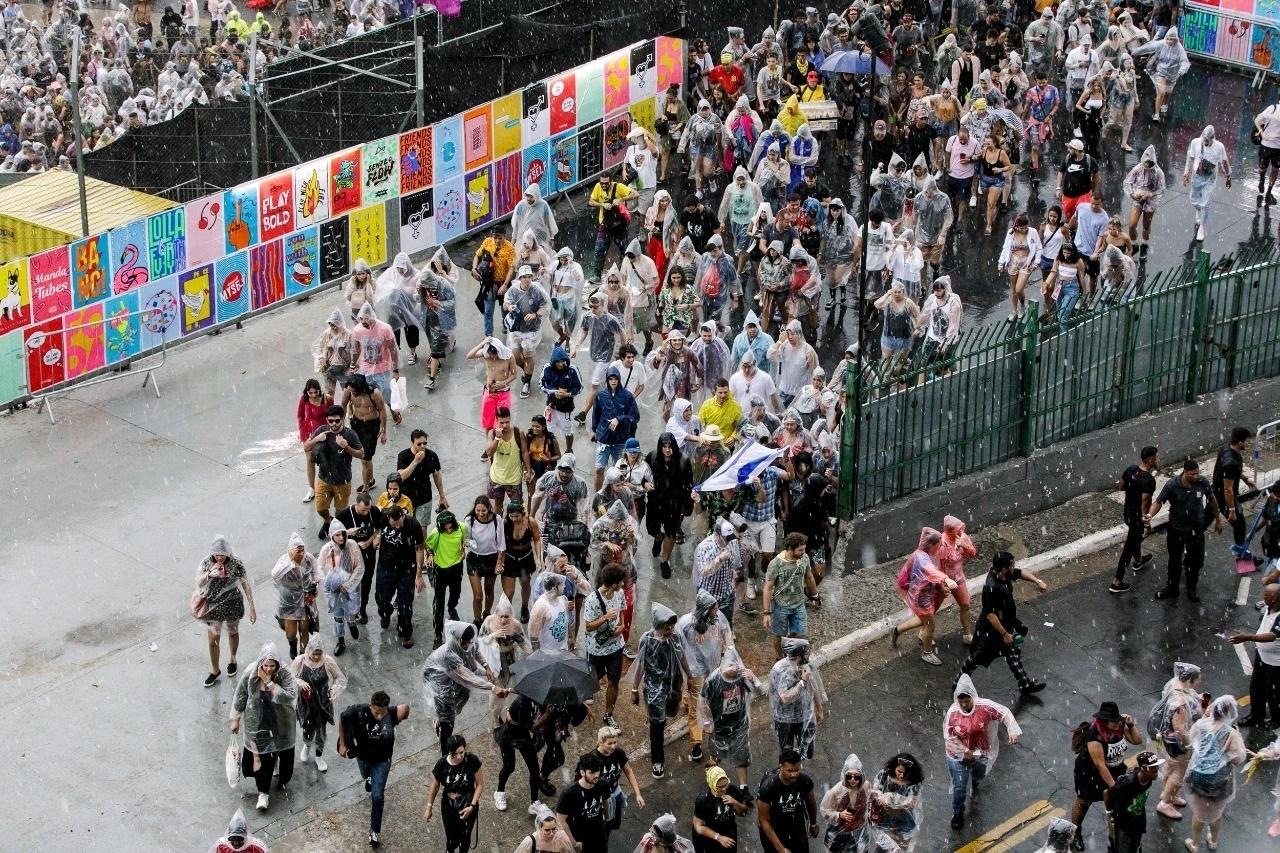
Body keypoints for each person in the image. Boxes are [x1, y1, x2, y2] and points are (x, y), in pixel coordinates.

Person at [961, 551, 1049, 696]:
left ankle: (1025, 684)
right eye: (1011, 565)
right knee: (977, 657)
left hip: (1005, 623)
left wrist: (1037, 581)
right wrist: (1004, 634)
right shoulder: (992, 586)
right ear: (1003, 568)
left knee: (1012, 652)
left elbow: (1021, 573)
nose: (1014, 567)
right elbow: (990, 614)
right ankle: (959, 682)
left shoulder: (1005, 575)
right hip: (992, 630)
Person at [944, 674, 1022, 830]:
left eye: (967, 701)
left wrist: (1012, 731)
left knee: (979, 774)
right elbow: (949, 736)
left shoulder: (985, 707)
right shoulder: (953, 713)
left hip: (980, 753)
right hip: (957, 756)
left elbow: (1004, 713)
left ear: (973, 696)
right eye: (961, 702)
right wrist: (964, 751)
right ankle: (958, 812)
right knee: (960, 786)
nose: (964, 705)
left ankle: (975, 780)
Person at [338, 691, 410, 848]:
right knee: (365, 774)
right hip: (362, 756)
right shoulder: (358, 711)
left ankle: (374, 832)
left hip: (382, 761)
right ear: (371, 706)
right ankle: (369, 778)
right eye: (376, 712)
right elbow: (342, 719)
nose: (379, 717)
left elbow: (405, 707)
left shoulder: (390, 714)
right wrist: (343, 743)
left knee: (377, 796)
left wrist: (402, 716)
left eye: (382, 713)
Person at [231, 643, 298, 812]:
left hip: (281, 720)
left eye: (272, 665)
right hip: (259, 720)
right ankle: (263, 793)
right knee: (261, 756)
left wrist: (269, 683)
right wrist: (236, 718)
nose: (268, 669)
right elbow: (241, 695)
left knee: (284, 754)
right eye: (266, 665)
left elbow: (289, 695)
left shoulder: (284, 672)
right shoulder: (250, 672)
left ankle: (281, 773)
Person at [1146, 458, 1222, 603]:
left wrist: (1218, 519)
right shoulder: (1172, 485)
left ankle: (1191, 588)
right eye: (1192, 474)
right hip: (1176, 529)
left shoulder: (1202, 482)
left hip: (1196, 529)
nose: (1196, 476)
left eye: (1197, 473)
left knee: (1195, 562)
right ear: (1185, 472)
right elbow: (1159, 502)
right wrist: (1150, 515)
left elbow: (1212, 499)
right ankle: (1172, 588)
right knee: (1174, 560)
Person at [629, 603, 691, 779]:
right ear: (658, 625)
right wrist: (634, 688)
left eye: (672, 626)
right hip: (654, 687)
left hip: (673, 685)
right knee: (657, 725)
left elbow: (683, 657)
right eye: (667, 626)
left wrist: (690, 677)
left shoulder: (676, 637)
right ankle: (657, 761)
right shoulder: (646, 640)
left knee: (671, 711)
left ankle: (657, 720)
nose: (670, 629)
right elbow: (640, 665)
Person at [1071, 701, 1144, 849]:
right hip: (1089, 772)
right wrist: (1115, 787)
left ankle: (1116, 835)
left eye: (1118, 720)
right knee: (1084, 802)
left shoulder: (1120, 726)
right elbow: (1100, 765)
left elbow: (1137, 740)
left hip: (1116, 768)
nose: (1117, 723)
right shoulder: (1094, 734)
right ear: (1104, 721)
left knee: (1117, 804)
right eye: (1113, 721)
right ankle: (1074, 833)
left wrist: (1130, 725)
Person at [1182, 696, 1247, 852]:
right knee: (1216, 813)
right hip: (1220, 779)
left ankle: (1195, 844)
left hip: (1197, 775)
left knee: (1199, 813)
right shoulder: (1231, 734)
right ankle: (1213, 840)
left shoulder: (1200, 725)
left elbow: (1192, 741)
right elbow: (1237, 758)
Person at [195, 535, 256, 687]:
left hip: (232, 603)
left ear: (228, 553)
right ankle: (215, 670)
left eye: (222, 555)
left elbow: (245, 584)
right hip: (214, 604)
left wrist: (252, 608)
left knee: (233, 632)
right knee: (213, 639)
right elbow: (198, 581)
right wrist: (209, 573)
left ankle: (233, 658)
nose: (220, 557)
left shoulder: (236, 563)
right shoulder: (207, 562)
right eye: (217, 554)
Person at [892, 527, 956, 665]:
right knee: (930, 624)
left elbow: (930, 576)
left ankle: (897, 630)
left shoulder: (924, 554)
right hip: (920, 597)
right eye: (938, 545)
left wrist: (940, 588)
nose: (940, 548)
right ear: (932, 544)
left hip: (923, 595)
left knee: (923, 620)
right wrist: (947, 580)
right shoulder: (922, 558)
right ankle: (927, 653)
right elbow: (930, 572)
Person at [303, 404, 365, 539]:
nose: (334, 424)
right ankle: (328, 522)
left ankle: (337, 531)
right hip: (323, 478)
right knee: (320, 508)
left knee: (341, 511)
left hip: (343, 480)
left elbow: (361, 454)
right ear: (327, 420)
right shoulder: (321, 431)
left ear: (342, 419)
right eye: (330, 420)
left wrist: (346, 446)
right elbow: (306, 447)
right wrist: (316, 439)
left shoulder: (350, 434)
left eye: (337, 420)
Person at [290, 634, 346, 774]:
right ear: (308, 651)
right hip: (306, 702)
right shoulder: (300, 661)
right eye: (314, 654)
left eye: (319, 654)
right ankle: (307, 746)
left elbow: (340, 678)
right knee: (308, 727)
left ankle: (319, 756)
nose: (316, 657)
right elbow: (289, 678)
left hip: (322, 702)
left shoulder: (327, 661)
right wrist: (299, 682)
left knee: (321, 731)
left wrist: (334, 690)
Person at [583, 563, 627, 726]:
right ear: (614, 584)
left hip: (616, 646)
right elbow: (588, 626)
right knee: (592, 678)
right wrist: (605, 618)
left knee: (614, 681)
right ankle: (587, 694)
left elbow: (622, 611)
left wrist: (621, 626)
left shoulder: (619, 593)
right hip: (596, 649)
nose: (623, 584)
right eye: (621, 582)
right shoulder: (592, 600)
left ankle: (609, 714)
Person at [424, 734, 484, 853]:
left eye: (461, 752)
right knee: (451, 838)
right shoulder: (442, 764)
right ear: (449, 752)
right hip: (449, 806)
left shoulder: (471, 760)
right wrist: (429, 807)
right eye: (454, 754)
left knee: (465, 839)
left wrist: (472, 806)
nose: (458, 757)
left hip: (468, 803)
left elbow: (480, 784)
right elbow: (435, 786)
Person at [761, 532, 817, 660]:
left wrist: (815, 596)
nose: (804, 552)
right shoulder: (776, 564)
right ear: (790, 549)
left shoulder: (804, 558)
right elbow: (768, 588)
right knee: (779, 635)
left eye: (804, 549)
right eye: (800, 550)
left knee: (798, 634)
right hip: (781, 607)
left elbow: (809, 577)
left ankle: (792, 656)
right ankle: (779, 658)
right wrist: (766, 613)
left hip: (798, 604)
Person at [376, 505, 425, 648]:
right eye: (394, 523)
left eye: (400, 522)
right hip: (386, 565)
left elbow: (419, 549)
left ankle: (405, 631)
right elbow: (374, 526)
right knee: (381, 597)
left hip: (406, 568)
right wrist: (376, 537)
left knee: (405, 601)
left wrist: (419, 574)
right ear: (388, 518)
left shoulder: (413, 524)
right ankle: (385, 613)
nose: (398, 526)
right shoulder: (382, 516)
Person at [769, 636, 826, 760]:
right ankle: (789, 771)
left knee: (808, 751)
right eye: (805, 652)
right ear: (798, 654)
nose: (807, 655)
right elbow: (785, 697)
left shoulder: (807, 665)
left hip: (804, 715)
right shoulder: (780, 670)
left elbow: (814, 686)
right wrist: (802, 682)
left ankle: (798, 764)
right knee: (786, 753)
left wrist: (819, 709)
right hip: (784, 719)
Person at [1232, 583, 1280, 728]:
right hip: (1262, 657)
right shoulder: (1269, 607)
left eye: (1267, 596)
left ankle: (1276, 720)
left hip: (1276, 663)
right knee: (1256, 688)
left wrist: (1248, 637)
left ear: (1277, 598)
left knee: (1274, 694)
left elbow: (1271, 636)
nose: (1263, 598)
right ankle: (1256, 715)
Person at [586, 725, 646, 839]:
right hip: (600, 799)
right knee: (603, 829)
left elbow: (628, 771)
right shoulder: (593, 760)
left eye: (615, 742)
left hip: (615, 792)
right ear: (600, 743)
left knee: (613, 823)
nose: (613, 746)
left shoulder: (618, 752)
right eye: (609, 743)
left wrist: (638, 794)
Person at [1112, 446, 1158, 593]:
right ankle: (1117, 582)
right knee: (1129, 546)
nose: (1158, 459)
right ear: (1151, 460)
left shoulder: (1131, 469)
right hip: (1137, 517)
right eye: (1157, 457)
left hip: (1127, 513)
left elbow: (1121, 486)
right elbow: (1145, 502)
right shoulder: (1149, 480)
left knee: (1134, 537)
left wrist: (1132, 491)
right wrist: (1146, 522)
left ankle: (1138, 561)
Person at [756, 747, 818, 853]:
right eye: (790, 771)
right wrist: (780, 848)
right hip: (774, 828)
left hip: (797, 826)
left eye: (797, 770)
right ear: (781, 767)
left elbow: (811, 803)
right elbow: (764, 821)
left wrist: (813, 823)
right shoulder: (768, 787)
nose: (794, 774)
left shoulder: (805, 781)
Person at [317, 519, 364, 655]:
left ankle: (352, 622)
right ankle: (340, 639)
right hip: (335, 589)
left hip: (351, 585)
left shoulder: (352, 545)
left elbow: (359, 566)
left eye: (342, 534)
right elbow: (319, 567)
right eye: (337, 535)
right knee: (338, 614)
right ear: (332, 536)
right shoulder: (327, 549)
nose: (341, 537)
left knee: (352, 609)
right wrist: (328, 582)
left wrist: (348, 584)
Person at [504, 266, 552, 399]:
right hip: (516, 330)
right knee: (515, 356)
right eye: (524, 277)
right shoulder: (513, 290)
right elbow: (505, 303)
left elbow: (546, 306)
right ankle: (526, 371)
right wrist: (509, 307)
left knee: (527, 355)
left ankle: (526, 382)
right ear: (519, 278)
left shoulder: (536, 290)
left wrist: (535, 314)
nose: (527, 279)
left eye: (529, 276)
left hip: (531, 331)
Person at [350, 303, 401, 425]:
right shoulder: (357, 330)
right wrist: (352, 365)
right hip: (365, 369)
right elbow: (356, 349)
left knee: (387, 394)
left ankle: (393, 411)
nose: (364, 324)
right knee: (369, 395)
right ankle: (374, 418)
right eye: (362, 320)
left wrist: (395, 369)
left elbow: (393, 349)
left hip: (382, 369)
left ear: (373, 318)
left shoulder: (384, 329)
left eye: (367, 322)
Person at [1105, 752, 1164, 853]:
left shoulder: (1149, 778)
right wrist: (1109, 813)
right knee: (1123, 847)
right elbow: (1107, 793)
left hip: (1137, 819)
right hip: (1124, 823)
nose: (1156, 771)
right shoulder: (1127, 783)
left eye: (1157, 767)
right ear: (1144, 768)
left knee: (1135, 845)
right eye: (1153, 768)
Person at [1183, 125, 1233, 243]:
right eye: (1204, 139)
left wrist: (1228, 176)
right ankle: (1199, 209)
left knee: (1206, 204)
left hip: (1210, 178)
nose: (1205, 142)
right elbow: (1189, 158)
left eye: (1207, 140)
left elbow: (1224, 162)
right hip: (1197, 175)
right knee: (1194, 200)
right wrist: (1186, 173)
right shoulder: (1195, 143)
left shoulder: (1219, 147)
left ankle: (1202, 227)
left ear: (1212, 139)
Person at [557, 751, 612, 849]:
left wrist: (606, 816)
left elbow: (605, 801)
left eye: (597, 771)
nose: (596, 775)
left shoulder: (603, 784)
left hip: (599, 832)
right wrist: (574, 843)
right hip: (580, 835)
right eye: (591, 772)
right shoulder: (569, 793)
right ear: (582, 772)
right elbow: (561, 821)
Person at [818, 753, 873, 853]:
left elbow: (870, 800)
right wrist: (839, 814)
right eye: (849, 776)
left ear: (861, 776)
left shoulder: (866, 786)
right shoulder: (836, 791)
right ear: (844, 775)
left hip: (859, 831)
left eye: (856, 777)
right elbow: (825, 810)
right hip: (839, 833)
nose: (852, 780)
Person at [870, 753, 925, 850]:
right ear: (893, 768)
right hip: (884, 816)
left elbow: (912, 803)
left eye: (905, 773)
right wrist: (880, 798)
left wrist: (891, 798)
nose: (902, 776)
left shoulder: (914, 783)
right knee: (883, 845)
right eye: (899, 771)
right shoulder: (885, 774)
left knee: (901, 846)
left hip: (903, 818)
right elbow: (876, 790)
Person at [396, 429, 446, 532]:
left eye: (425, 443)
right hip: (407, 498)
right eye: (419, 444)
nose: (423, 446)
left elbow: (437, 476)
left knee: (421, 528)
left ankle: (421, 548)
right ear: (412, 443)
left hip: (424, 497)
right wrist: (415, 462)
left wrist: (442, 497)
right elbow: (401, 476)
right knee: (405, 527)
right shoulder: (403, 455)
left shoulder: (432, 455)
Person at [1214, 426, 1255, 548]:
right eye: (1246, 441)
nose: (1248, 443)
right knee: (1240, 525)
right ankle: (1242, 554)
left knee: (1203, 521)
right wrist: (1232, 510)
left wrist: (1245, 479)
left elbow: (1231, 473)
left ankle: (1190, 542)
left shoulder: (1226, 449)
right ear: (1240, 442)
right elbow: (1228, 489)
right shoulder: (1231, 462)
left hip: (1216, 493)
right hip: (1223, 498)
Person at [694, 765, 750, 853]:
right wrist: (718, 837)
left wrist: (735, 803)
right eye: (719, 787)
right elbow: (699, 827)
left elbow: (744, 812)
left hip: (729, 833)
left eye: (725, 784)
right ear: (712, 784)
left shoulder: (733, 790)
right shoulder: (704, 800)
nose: (724, 789)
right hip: (710, 838)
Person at [1123, 147, 1165, 259]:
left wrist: (1150, 194)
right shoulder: (1138, 169)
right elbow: (1128, 182)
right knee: (1132, 225)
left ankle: (1144, 245)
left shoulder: (1158, 173)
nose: (1146, 165)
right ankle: (1134, 244)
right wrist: (1132, 194)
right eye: (1145, 162)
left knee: (1146, 225)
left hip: (1151, 201)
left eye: (1149, 163)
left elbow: (1161, 189)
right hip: (1138, 199)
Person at [487, 406, 529, 510]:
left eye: (507, 422)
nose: (505, 425)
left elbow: (524, 452)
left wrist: (528, 470)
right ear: (496, 420)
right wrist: (497, 438)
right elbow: (489, 452)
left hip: (514, 479)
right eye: (501, 422)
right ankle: (499, 525)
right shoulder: (491, 433)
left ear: (510, 418)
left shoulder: (518, 433)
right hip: (497, 478)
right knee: (498, 505)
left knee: (518, 506)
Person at [297, 379, 330, 503]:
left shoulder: (327, 398)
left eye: (315, 392)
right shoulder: (304, 399)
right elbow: (300, 415)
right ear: (307, 392)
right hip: (309, 433)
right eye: (310, 393)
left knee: (325, 460)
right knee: (310, 461)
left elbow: (333, 414)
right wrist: (302, 430)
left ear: (319, 390)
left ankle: (325, 486)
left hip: (324, 432)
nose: (313, 395)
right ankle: (311, 489)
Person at [1056, 139, 1098, 222]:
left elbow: (1096, 176)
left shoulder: (1090, 160)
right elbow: (1061, 172)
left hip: (1084, 194)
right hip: (1068, 195)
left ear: (1076, 150)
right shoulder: (1067, 158)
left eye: (1070, 148)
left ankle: (1081, 231)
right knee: (1069, 217)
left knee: (1082, 216)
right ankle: (1071, 232)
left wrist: (1094, 191)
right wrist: (1058, 188)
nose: (1068, 150)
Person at [1255, 100, 1280, 206]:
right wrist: (1261, 133)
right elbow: (1257, 120)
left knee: (1275, 169)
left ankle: (1269, 191)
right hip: (1266, 145)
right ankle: (1261, 179)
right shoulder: (1273, 108)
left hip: (1278, 148)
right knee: (1262, 167)